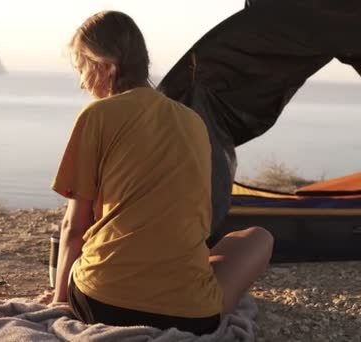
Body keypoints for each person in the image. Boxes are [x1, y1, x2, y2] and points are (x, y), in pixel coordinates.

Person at [37, 11, 274, 335]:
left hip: (101, 302)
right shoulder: (193, 122)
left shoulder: (97, 115)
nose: (81, 82)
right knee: (259, 239)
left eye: (82, 69)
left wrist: (60, 299)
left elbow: (74, 226)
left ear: (105, 67)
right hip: (192, 316)